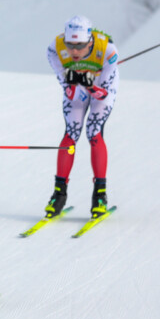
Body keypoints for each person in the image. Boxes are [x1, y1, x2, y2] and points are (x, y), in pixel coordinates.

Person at [45, 15, 119, 219]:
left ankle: (100, 195)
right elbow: (69, 92)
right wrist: (72, 82)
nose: (74, 51)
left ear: (90, 42)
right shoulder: (55, 49)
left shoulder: (108, 51)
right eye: (71, 45)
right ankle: (58, 194)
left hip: (101, 88)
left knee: (94, 133)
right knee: (71, 134)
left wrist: (89, 84)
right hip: (77, 88)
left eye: (80, 46)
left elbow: (104, 94)